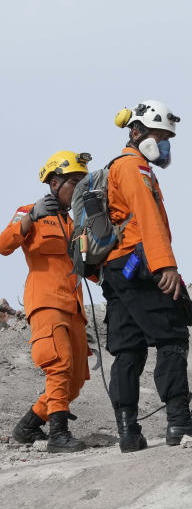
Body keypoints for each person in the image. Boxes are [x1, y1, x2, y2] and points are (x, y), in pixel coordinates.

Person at [103, 101, 192, 452]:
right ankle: (179, 422)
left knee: (128, 348)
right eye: (160, 135)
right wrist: (164, 265)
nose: (165, 143)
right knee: (171, 336)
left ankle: (128, 433)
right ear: (137, 132)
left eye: (168, 137)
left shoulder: (119, 167)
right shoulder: (133, 166)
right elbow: (148, 218)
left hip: (117, 269)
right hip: (139, 264)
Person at [1, 151, 93, 452]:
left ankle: (28, 426)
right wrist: (31, 217)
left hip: (74, 307)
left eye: (83, 183)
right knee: (60, 366)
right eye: (74, 182)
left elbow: (88, 268)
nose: (80, 189)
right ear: (54, 183)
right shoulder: (30, 212)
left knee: (76, 379)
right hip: (46, 302)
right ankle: (58, 435)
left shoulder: (76, 223)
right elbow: (3, 245)